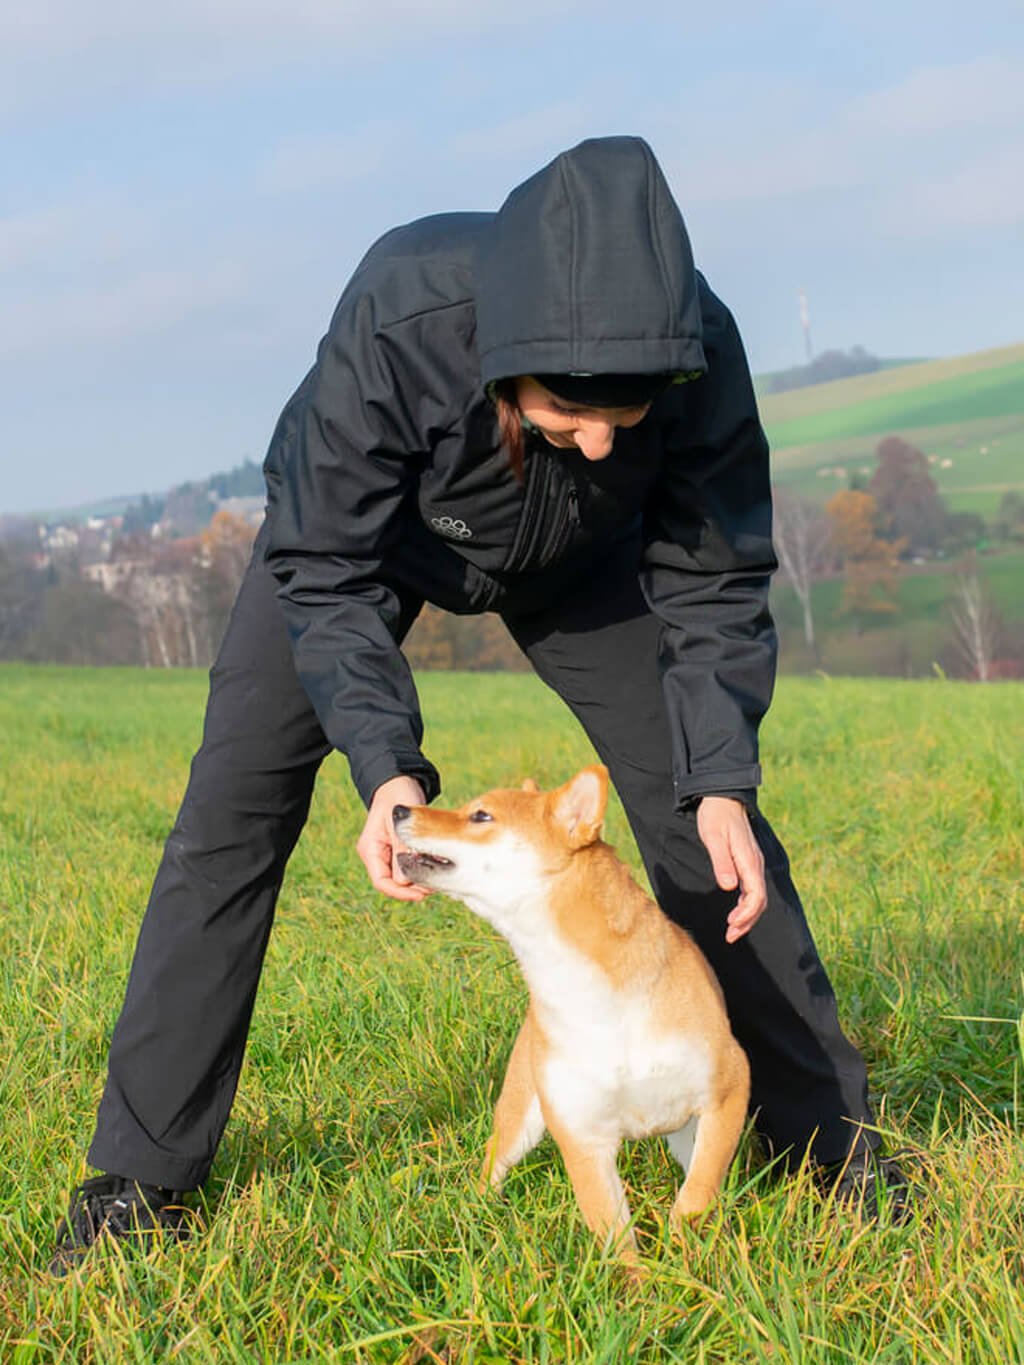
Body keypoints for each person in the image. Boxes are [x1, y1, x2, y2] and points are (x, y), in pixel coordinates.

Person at [51, 136, 908, 1272]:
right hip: (361, 554)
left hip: (584, 567)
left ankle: (827, 1150)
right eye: (568, 409)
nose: (602, 439)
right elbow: (321, 556)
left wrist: (719, 777)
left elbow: (713, 573)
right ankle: (139, 1182)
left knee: (703, 821)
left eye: (629, 415)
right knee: (232, 815)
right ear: (503, 358)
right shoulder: (401, 312)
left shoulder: (699, 345)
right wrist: (386, 766)